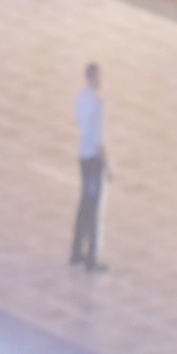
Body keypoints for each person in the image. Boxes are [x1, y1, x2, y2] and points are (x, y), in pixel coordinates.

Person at [69, 63, 107, 271]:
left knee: (84, 203)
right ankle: (92, 256)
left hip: (82, 155)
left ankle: (76, 249)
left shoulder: (81, 99)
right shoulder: (96, 102)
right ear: (94, 78)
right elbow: (97, 135)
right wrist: (106, 162)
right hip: (93, 158)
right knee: (94, 206)